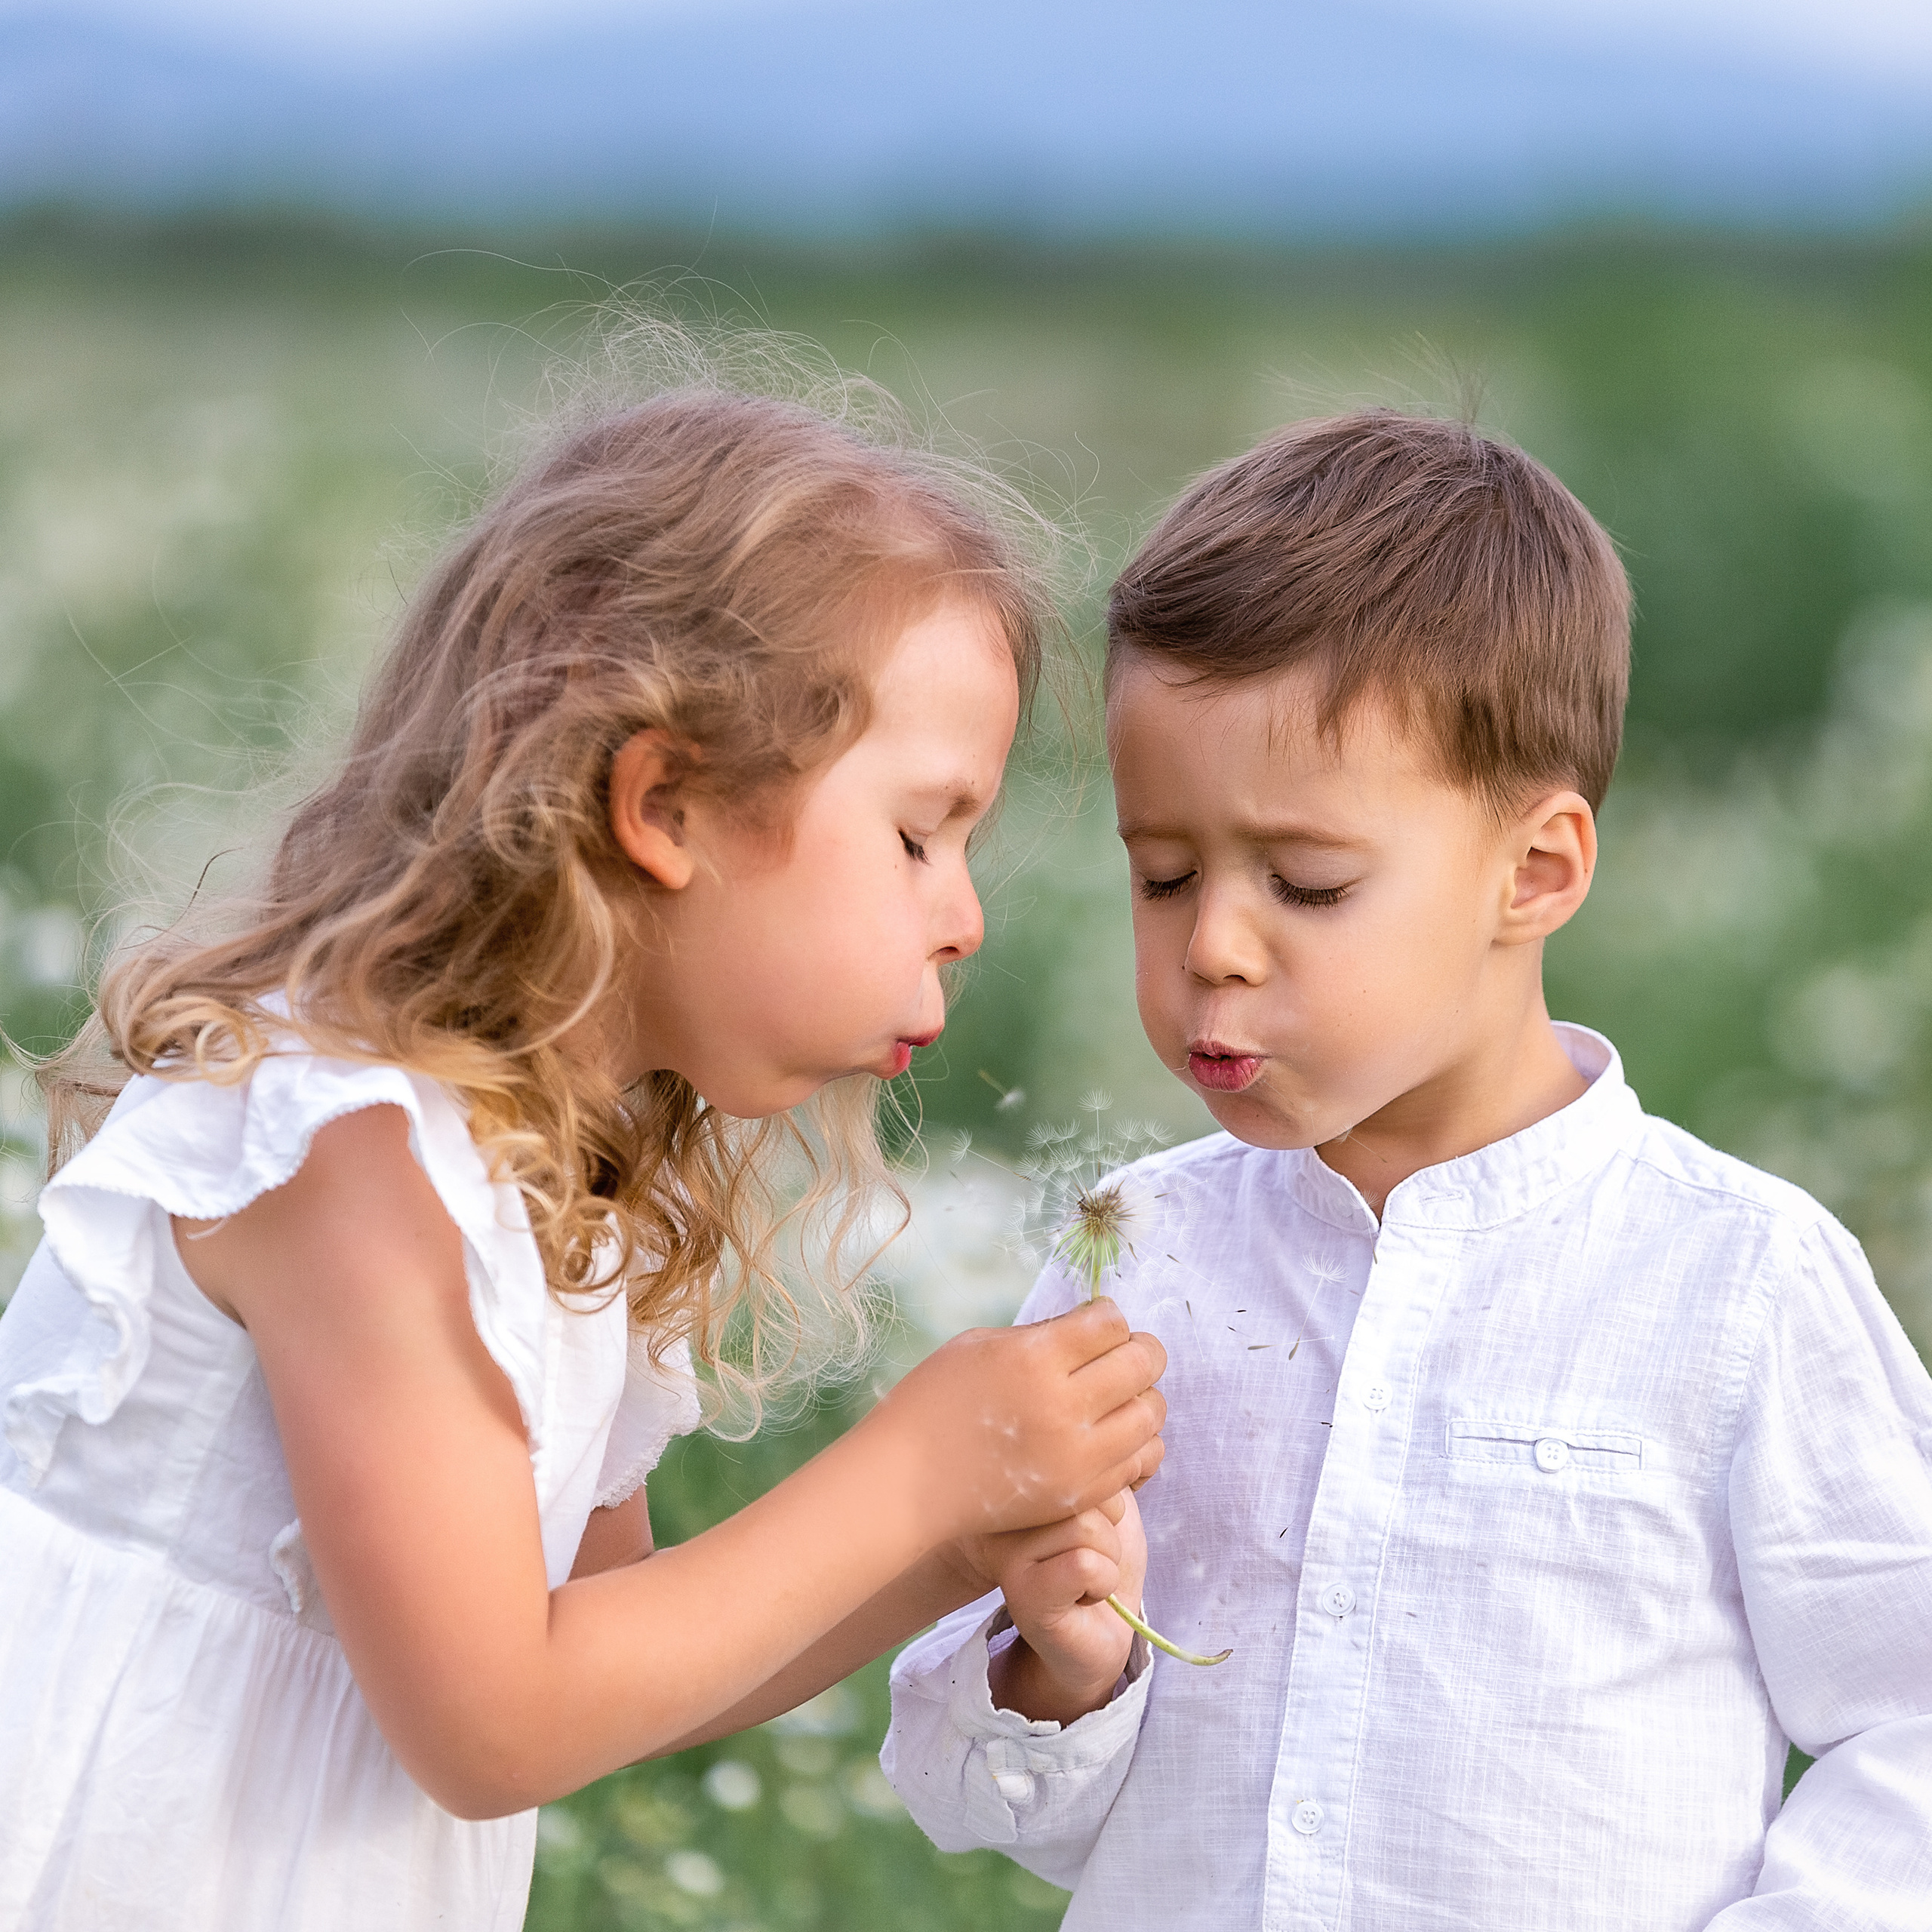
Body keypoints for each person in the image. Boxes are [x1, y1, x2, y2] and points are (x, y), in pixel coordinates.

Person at [0, 384, 1168, 1931]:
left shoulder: (551, 1187)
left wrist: (962, 1539)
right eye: (914, 834)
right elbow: (496, 1722)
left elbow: (613, 1652)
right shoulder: (352, 1161)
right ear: (663, 803)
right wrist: (916, 1466)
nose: (962, 915)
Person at [883, 411, 1932, 1928]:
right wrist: (1059, 1659)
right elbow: (974, 1798)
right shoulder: (1137, 1261)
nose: (1209, 946)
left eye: (1305, 882)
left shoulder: (1732, 1282)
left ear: (1535, 870)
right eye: (1160, 871)